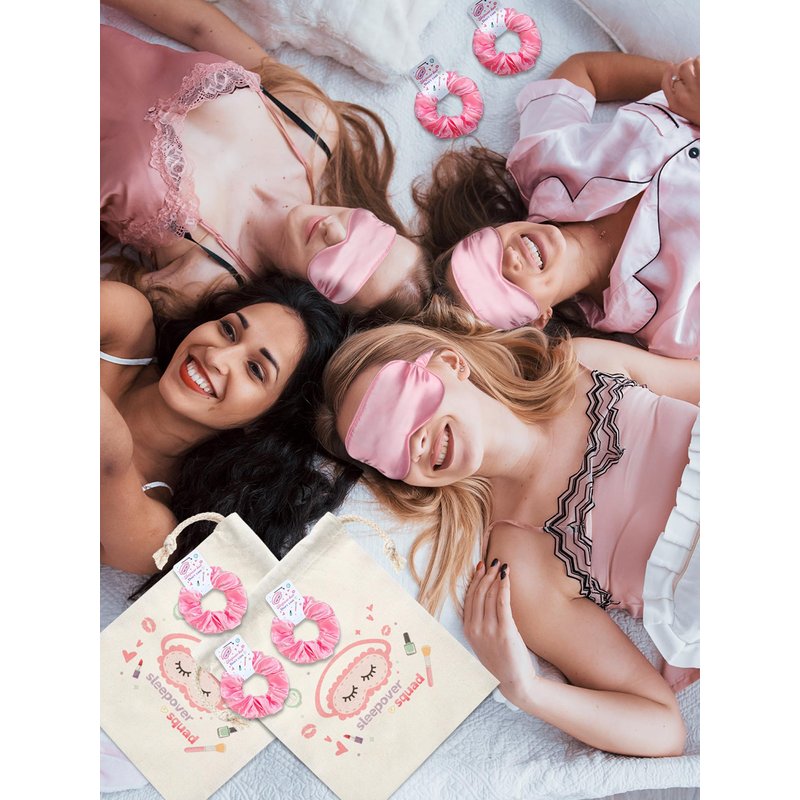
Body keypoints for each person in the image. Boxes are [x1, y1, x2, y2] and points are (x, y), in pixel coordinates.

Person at [315, 303, 699, 756]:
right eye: (386, 451)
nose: (413, 442)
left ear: (452, 362)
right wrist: (526, 688)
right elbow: (662, 727)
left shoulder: (586, 365)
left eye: (402, 405)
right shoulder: (521, 563)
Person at [101, 0, 430, 317]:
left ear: (324, 305)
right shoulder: (311, 126)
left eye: (345, 267)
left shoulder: (203, 280)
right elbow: (198, 27)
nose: (333, 231)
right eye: (369, 233)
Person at [413, 51, 700, 358]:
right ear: (539, 319)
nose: (509, 257)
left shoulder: (540, 158)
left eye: (482, 249)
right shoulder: (670, 325)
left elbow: (584, 71)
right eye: (502, 286)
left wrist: (678, 84)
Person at [101, 275, 352, 574]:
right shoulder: (125, 320)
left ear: (264, 422)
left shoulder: (155, 534)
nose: (217, 356)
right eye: (229, 330)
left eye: (255, 369)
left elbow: (107, 456)